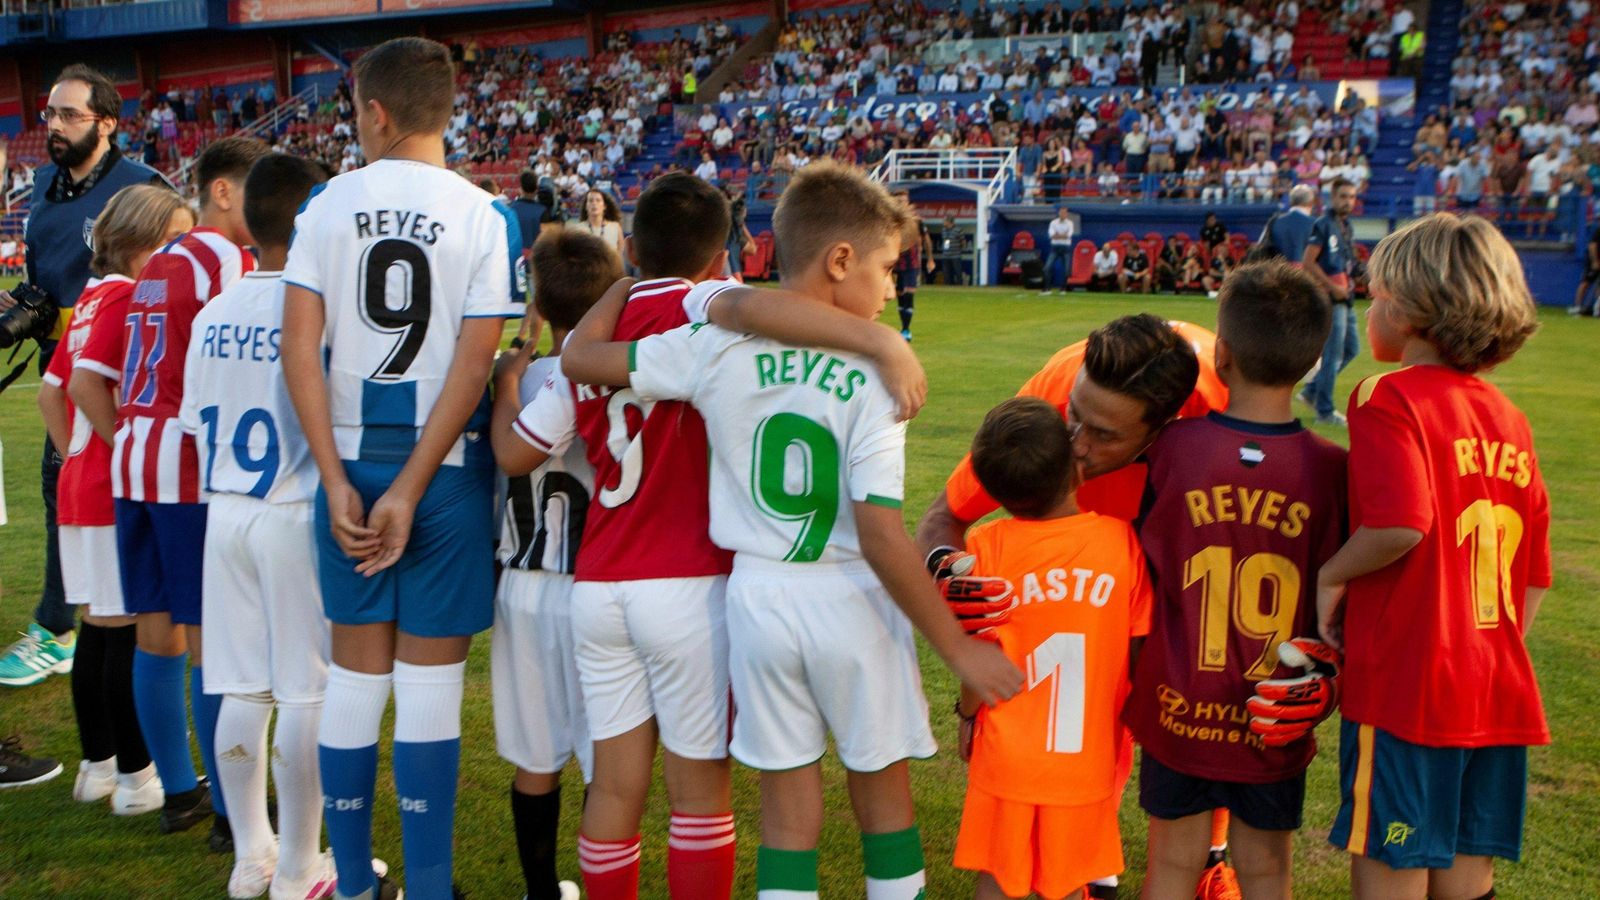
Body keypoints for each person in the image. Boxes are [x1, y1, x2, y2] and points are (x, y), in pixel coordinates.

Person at [559, 158, 1022, 900]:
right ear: (841, 261)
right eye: (888, 268)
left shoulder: (715, 343)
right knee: (883, 802)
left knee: (786, 812)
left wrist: (618, 285)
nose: (892, 288)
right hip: (850, 600)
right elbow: (879, 533)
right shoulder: (881, 373)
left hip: (758, 601)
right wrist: (958, 647)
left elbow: (580, 358)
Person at [280, 38, 526, 899]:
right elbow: (477, 360)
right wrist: (419, 485)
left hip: (349, 460)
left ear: (375, 111)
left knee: (354, 676)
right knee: (430, 688)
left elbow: (300, 348)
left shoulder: (323, 205)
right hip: (446, 471)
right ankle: (427, 888)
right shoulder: (484, 213)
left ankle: (350, 883)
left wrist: (335, 474)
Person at [496, 173, 739, 900]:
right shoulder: (718, 323)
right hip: (689, 580)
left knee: (615, 789)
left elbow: (516, 452)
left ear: (630, 246)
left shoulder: (599, 333)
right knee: (698, 796)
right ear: (721, 258)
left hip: (599, 583)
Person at [1316, 214, 1549, 900]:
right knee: (1465, 874)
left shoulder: (1386, 396)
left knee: (1393, 863)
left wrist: (1332, 574)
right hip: (1490, 685)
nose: (1367, 304)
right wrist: (1482, 653)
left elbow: (1401, 524)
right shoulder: (1510, 418)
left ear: (1414, 310)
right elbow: (1532, 575)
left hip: (1408, 691)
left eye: (1378, 292)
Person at [1125, 260, 1347, 900]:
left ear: (1219, 354)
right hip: (1272, 712)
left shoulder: (1172, 449)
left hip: (1178, 705)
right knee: (1267, 869)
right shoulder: (1331, 473)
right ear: (1311, 364)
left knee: (1170, 865)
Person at [175, 154, 349, 899]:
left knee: (242, 685)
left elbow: (192, 424)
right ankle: (303, 869)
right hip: (289, 507)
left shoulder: (214, 309)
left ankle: (254, 859)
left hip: (226, 511)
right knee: (306, 691)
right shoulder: (317, 308)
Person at [102, 136, 270, 849]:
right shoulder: (222, 259)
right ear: (223, 191)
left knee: (156, 629)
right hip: (185, 465)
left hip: (133, 459)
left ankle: (178, 791)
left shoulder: (158, 264)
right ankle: (233, 816)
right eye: (254, 189)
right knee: (213, 644)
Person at [0, 64, 166, 690]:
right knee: (62, 493)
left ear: (107, 122)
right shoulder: (42, 184)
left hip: (119, 374)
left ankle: (75, 627)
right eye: (49, 114)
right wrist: (28, 303)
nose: (55, 126)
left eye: (70, 114)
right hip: (60, 369)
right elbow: (48, 277)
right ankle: (69, 625)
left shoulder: (140, 187)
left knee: (108, 495)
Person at [952, 397, 1154, 900]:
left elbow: (979, 656)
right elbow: (1138, 655)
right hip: (1087, 760)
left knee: (997, 878)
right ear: (1074, 468)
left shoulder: (985, 546)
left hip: (1007, 756)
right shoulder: (1121, 543)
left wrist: (965, 714)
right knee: (1065, 884)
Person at [40, 184, 190, 816]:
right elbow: (82, 385)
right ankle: (136, 777)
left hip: (80, 485)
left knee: (99, 631)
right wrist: (118, 447)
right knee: (125, 631)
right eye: (174, 240)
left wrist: (77, 453)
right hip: (109, 488)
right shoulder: (130, 297)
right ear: (142, 243)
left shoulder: (88, 299)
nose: (181, 252)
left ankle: (98, 766)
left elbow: (53, 394)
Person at [489, 229, 620, 900]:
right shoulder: (611, 373)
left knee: (535, 759)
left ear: (539, 299)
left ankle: (542, 890)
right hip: (596, 583)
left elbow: (508, 446)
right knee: (608, 765)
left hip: (523, 582)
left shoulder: (520, 378)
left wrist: (508, 376)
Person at [1300, 178, 1359, 426]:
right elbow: (1308, 263)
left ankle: (1312, 391)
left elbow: (1345, 261)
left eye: (1352, 197)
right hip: (1331, 298)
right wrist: (1332, 286)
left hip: (1345, 296)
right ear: (1332, 198)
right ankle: (1324, 411)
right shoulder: (1323, 225)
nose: (1348, 201)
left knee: (1351, 350)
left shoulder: (1346, 226)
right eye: (1343, 196)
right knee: (1334, 354)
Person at [892, 188, 933, 341]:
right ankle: (904, 326)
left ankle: (906, 329)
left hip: (912, 263)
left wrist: (930, 258)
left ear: (908, 201)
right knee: (900, 295)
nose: (901, 203)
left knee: (909, 294)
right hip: (895, 264)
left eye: (903, 200)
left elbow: (926, 238)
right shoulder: (891, 220)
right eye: (898, 201)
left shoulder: (916, 219)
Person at [1267, 185, 1318, 265]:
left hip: (1279, 273)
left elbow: (1263, 249)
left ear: (1291, 202)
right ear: (1311, 202)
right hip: (1308, 275)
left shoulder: (1274, 222)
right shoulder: (1317, 223)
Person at [571, 188, 626, 262]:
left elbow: (620, 256)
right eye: (590, 200)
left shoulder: (615, 227)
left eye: (598, 200)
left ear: (604, 206)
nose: (594, 203)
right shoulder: (577, 229)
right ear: (586, 206)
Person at [1044, 206, 1076, 294]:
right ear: (1059, 213)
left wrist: (1058, 235)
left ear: (1067, 214)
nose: (1063, 214)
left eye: (1064, 213)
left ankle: (1063, 289)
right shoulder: (1053, 223)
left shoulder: (1070, 223)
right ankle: (1047, 288)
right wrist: (1062, 235)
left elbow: (1069, 235)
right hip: (1054, 248)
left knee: (1066, 270)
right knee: (1047, 267)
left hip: (1066, 248)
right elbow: (1051, 235)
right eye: (1061, 212)